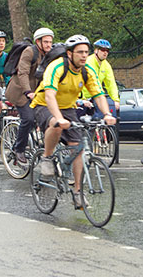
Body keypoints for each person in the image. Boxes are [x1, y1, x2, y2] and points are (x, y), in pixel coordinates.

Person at [30, 34, 116, 209]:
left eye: (86, 52)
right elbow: (50, 95)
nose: (84, 56)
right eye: (80, 52)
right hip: (43, 104)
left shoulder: (87, 71)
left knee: (79, 148)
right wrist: (59, 119)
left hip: (68, 108)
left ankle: (77, 192)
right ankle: (47, 158)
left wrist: (107, 114)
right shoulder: (57, 67)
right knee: (55, 124)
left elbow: (98, 95)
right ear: (69, 54)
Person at [4, 27, 54, 163]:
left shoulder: (49, 55)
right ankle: (19, 149)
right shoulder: (29, 52)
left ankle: (45, 148)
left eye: (50, 42)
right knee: (29, 119)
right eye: (46, 42)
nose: (49, 45)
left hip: (37, 93)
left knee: (49, 117)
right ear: (38, 42)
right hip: (20, 91)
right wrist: (27, 91)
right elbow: (23, 73)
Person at [80, 39, 120, 118]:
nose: (105, 52)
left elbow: (111, 84)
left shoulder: (106, 65)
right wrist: (82, 99)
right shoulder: (87, 62)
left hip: (96, 96)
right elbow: (79, 81)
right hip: (83, 97)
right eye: (103, 50)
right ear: (96, 50)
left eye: (107, 50)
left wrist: (115, 100)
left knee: (101, 119)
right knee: (80, 120)